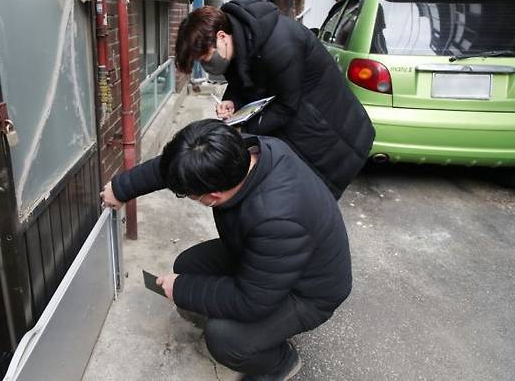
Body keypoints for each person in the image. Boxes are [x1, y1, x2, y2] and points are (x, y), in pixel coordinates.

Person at [100, 119, 352, 380]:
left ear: (213, 196)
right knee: (188, 266)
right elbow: (179, 167)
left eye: (188, 194)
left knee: (224, 339)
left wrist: (182, 289)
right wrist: (121, 188)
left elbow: (252, 301)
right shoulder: (241, 151)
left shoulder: (277, 221)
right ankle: (246, 328)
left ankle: (280, 362)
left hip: (308, 291)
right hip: (267, 258)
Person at [175, 0, 375, 199]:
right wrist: (232, 100)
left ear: (221, 36)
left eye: (206, 59)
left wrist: (243, 129)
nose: (207, 66)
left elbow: (286, 106)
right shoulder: (242, 38)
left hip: (329, 127)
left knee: (314, 197)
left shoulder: (280, 43)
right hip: (300, 122)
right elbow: (241, 78)